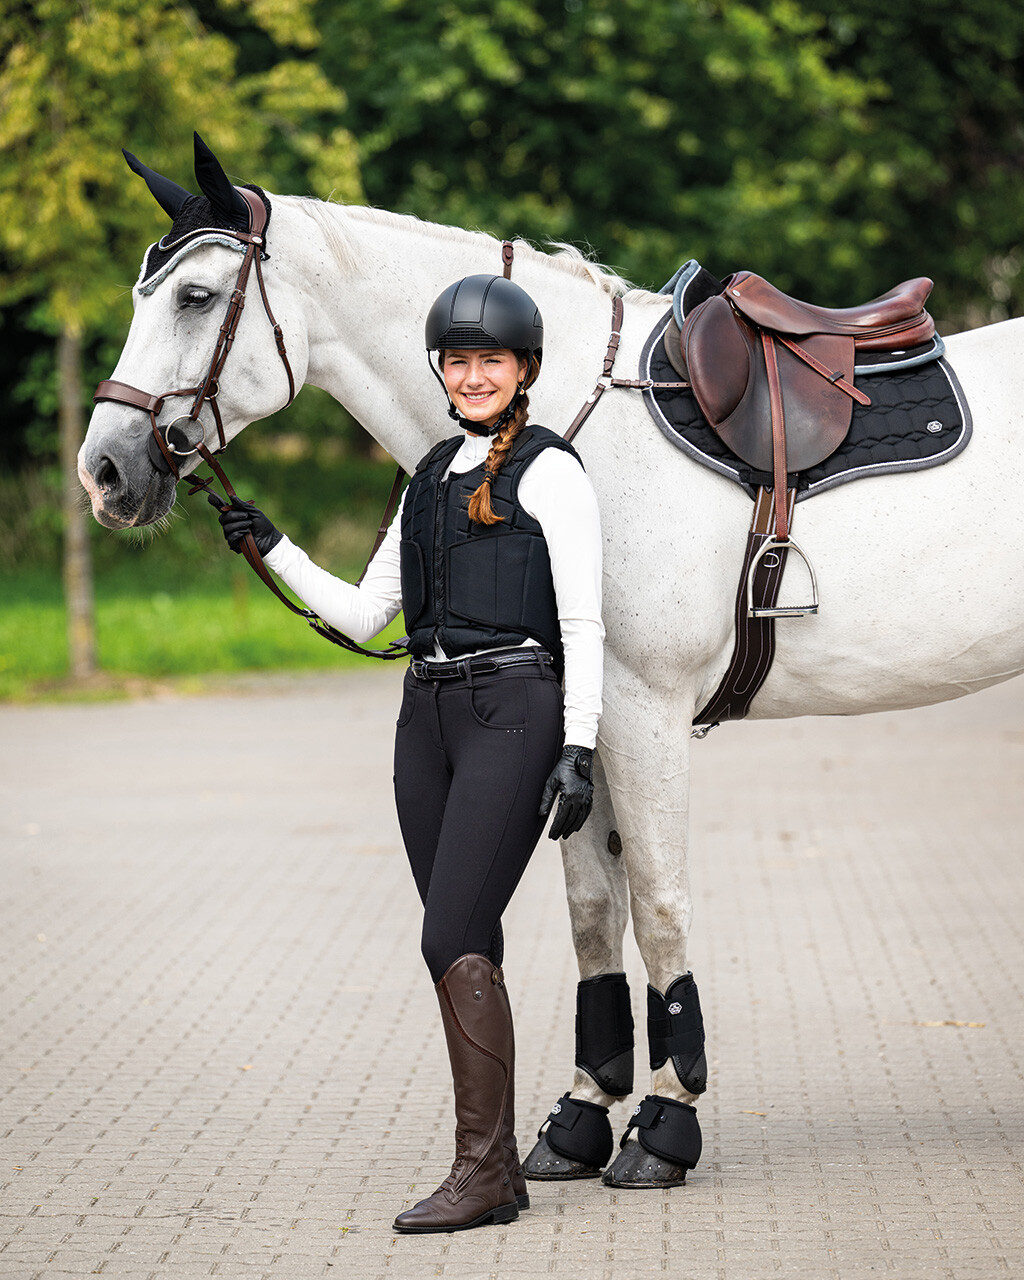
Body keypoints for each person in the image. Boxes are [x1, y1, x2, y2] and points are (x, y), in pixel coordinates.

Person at [212, 274, 603, 1233]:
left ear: (525, 372)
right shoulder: (425, 476)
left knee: (447, 933)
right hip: (423, 720)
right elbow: (362, 610)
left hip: (515, 711)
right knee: (467, 938)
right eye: (459, 360)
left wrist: (580, 747)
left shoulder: (552, 473)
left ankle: (477, 1172)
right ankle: (501, 1170)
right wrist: (273, 548)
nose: (473, 376)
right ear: (442, 368)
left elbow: (586, 623)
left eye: (492, 361)